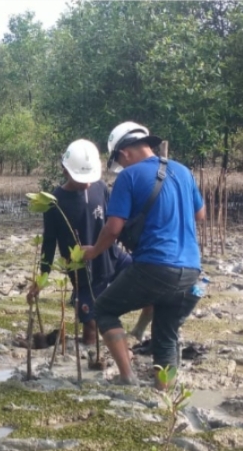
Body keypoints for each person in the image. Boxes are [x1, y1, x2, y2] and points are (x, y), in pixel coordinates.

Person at [82, 122, 206, 386]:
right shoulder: (183, 171)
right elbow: (200, 214)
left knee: (103, 309)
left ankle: (128, 378)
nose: (121, 166)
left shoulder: (129, 177)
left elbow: (113, 228)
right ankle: (165, 394)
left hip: (155, 266)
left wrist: (93, 251)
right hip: (191, 271)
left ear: (124, 152)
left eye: (118, 160)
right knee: (166, 335)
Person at [28, 139, 146, 346]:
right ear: (65, 171)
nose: (87, 183)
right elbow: (48, 244)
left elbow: (116, 223)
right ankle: (89, 354)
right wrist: (41, 280)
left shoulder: (100, 188)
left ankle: (138, 332)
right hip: (83, 271)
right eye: (82, 179)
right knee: (90, 322)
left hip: (112, 256)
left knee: (147, 283)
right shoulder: (54, 202)